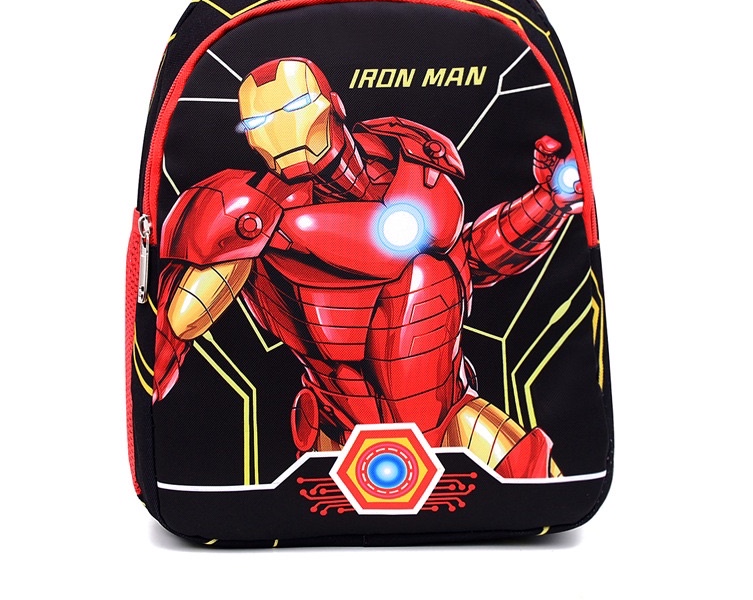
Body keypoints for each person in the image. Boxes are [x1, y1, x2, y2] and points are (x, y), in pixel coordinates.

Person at [153, 56, 583, 478]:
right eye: (256, 122)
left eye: (294, 106)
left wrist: (548, 203)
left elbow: (466, 260)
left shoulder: (413, 162)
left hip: (451, 421)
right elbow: (178, 323)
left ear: (332, 105)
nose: (277, 129)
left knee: (541, 486)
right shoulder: (248, 214)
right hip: (340, 441)